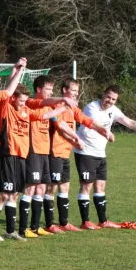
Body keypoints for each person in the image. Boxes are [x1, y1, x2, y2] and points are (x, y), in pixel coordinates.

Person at [0, 59, 69, 241]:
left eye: (25, 101)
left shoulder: (26, 112)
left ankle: (10, 230)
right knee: (5, 193)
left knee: (15, 193)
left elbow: (45, 114)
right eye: (21, 101)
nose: (24, 104)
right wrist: (18, 70)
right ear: (13, 99)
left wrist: (63, 105)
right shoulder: (5, 108)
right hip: (8, 154)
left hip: (22, 157)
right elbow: (8, 90)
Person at [18, 75, 86, 238]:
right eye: (48, 89)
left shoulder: (49, 108)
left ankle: (35, 227)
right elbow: (43, 105)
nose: (50, 92)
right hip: (33, 150)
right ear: (39, 90)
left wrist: (75, 138)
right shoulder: (31, 103)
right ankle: (23, 228)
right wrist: (64, 101)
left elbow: (59, 123)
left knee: (41, 188)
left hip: (45, 151)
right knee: (30, 189)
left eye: (51, 89)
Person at [74, 85, 136, 229]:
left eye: (113, 99)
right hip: (85, 152)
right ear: (103, 94)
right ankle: (85, 221)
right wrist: (108, 133)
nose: (110, 101)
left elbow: (128, 121)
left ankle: (103, 221)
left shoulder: (113, 110)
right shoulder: (91, 107)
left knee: (100, 186)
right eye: (108, 97)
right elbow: (94, 124)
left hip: (100, 153)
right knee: (86, 185)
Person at [45, 78, 109, 232]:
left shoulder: (73, 108)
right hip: (54, 151)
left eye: (77, 91)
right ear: (65, 91)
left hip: (66, 153)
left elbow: (86, 120)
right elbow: (60, 127)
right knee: (51, 187)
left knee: (65, 187)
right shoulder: (55, 106)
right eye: (73, 91)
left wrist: (102, 129)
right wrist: (76, 141)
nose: (76, 94)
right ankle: (49, 224)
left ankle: (64, 222)